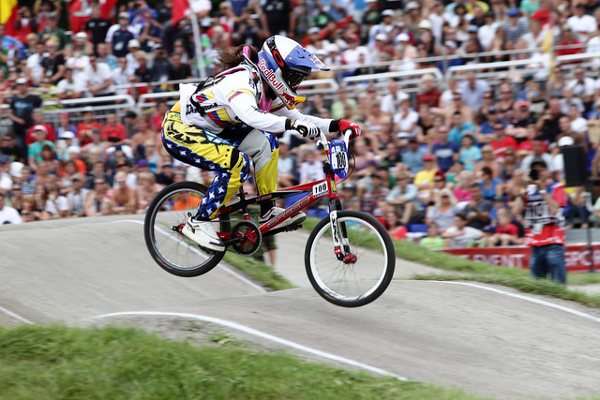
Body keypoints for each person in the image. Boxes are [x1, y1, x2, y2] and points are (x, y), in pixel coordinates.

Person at [161, 36, 360, 250]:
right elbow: (251, 116)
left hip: (214, 129)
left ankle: (267, 210)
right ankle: (198, 221)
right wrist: (290, 125)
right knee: (238, 164)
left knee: (267, 142)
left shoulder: (266, 90)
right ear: (276, 69)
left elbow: (301, 119)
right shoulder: (241, 80)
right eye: (293, 77)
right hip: (180, 128)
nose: (296, 84)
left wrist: (338, 124)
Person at [514, 161, 567, 284]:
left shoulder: (557, 187)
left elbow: (555, 209)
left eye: (541, 170)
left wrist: (543, 190)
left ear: (547, 172)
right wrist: (522, 190)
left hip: (553, 242)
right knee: (537, 288)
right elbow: (516, 211)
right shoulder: (530, 190)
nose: (538, 173)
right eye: (535, 171)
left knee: (558, 286)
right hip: (536, 243)